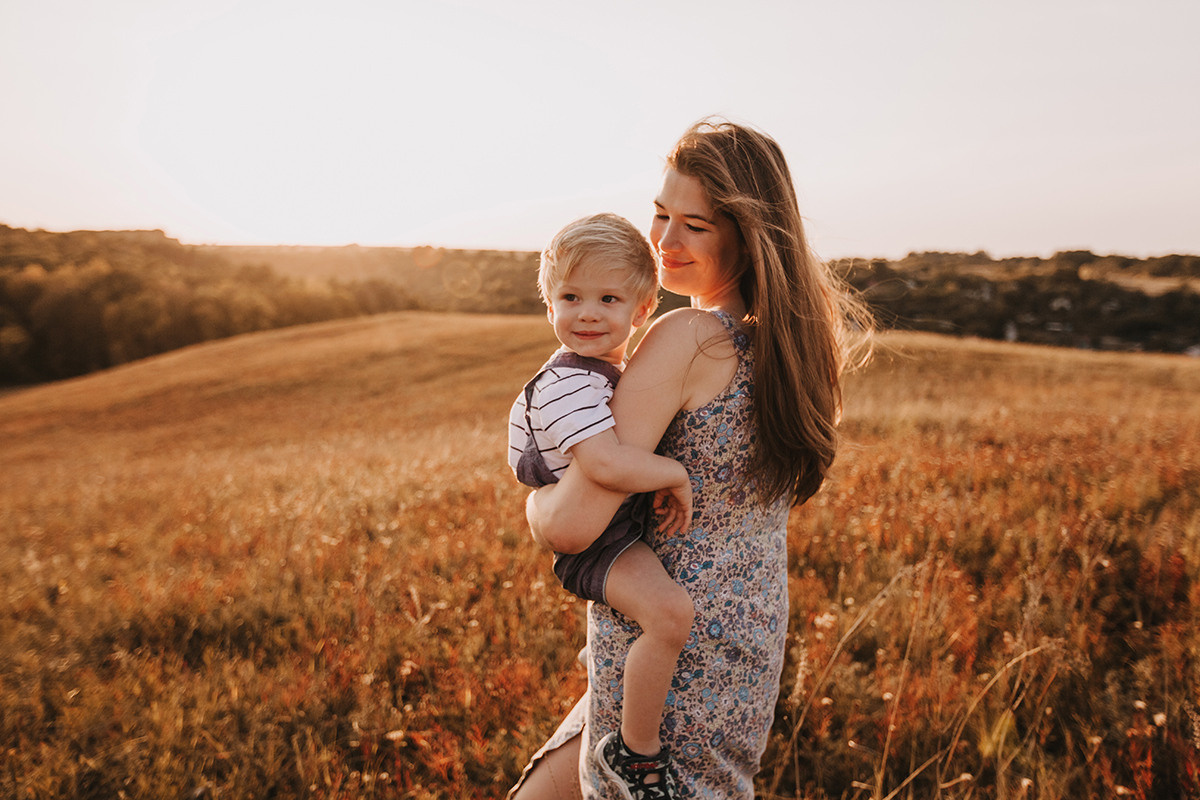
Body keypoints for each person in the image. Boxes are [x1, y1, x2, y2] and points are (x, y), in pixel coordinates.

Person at [509, 118, 870, 800]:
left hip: (669, 656)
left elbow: (572, 527)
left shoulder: (688, 338)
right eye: (660, 213)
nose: (665, 242)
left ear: (745, 233)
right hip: (742, 643)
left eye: (695, 225)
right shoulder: (797, 345)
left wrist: (534, 501)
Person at [508, 212, 698, 798]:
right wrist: (675, 474)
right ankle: (636, 754)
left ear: (641, 311)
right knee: (670, 617)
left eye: (608, 298)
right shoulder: (568, 382)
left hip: (614, 534)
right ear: (549, 307)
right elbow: (605, 465)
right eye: (570, 296)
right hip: (599, 544)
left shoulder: (603, 372)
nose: (587, 312)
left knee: (659, 620)